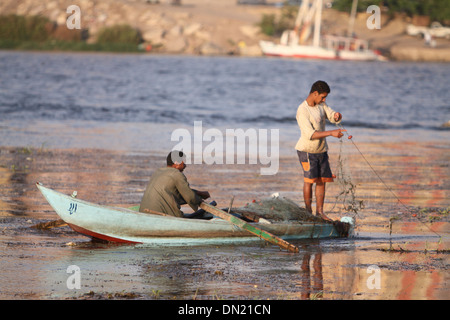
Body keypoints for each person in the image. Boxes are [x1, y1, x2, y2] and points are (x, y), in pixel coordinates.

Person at [295, 80, 345, 221]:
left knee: (322, 180)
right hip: (306, 150)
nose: (324, 100)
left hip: (321, 150)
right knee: (309, 180)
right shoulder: (302, 110)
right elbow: (310, 135)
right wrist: (331, 133)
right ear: (314, 93)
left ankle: (320, 213)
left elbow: (331, 115)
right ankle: (308, 212)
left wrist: (337, 116)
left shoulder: (321, 105)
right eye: (322, 97)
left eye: (325, 98)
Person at [139, 150, 211, 218]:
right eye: (183, 162)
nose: (185, 165)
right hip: (160, 214)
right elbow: (190, 197)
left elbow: (177, 194)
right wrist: (199, 199)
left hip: (143, 212)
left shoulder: (158, 172)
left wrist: (198, 193)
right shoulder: (177, 174)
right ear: (176, 162)